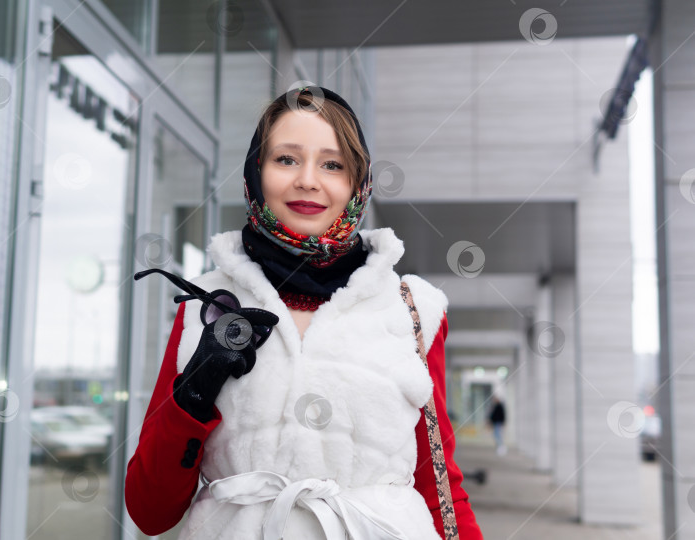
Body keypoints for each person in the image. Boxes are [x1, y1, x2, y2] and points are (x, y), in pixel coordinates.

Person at [125, 86, 483, 539]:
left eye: (332, 164)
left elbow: (440, 489)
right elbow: (149, 511)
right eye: (286, 159)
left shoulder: (412, 310)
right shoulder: (207, 304)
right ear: (256, 173)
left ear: (358, 182)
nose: (308, 180)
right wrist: (192, 393)